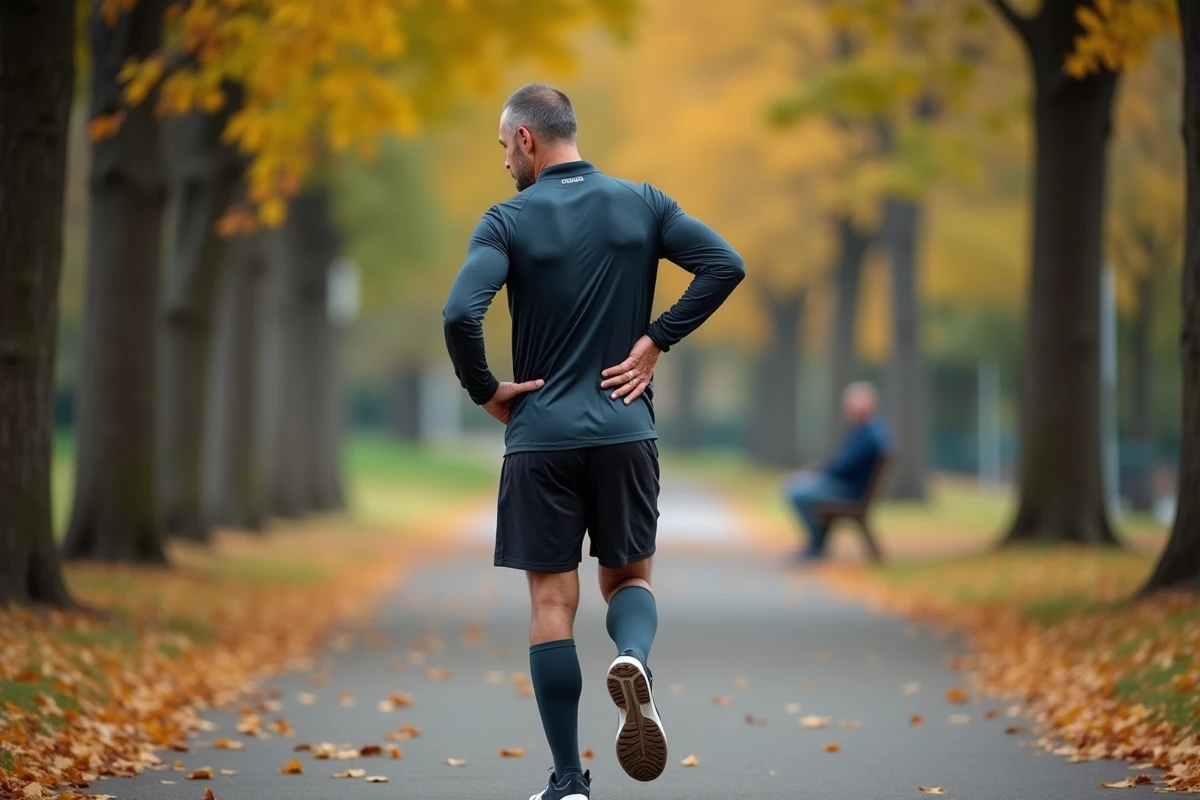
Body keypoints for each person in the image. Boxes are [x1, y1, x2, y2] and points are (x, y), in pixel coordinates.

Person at [442, 83, 744, 800]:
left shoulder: (507, 219)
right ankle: (632, 658)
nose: (503, 165)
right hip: (624, 429)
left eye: (502, 148)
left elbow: (461, 312)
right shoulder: (644, 203)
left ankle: (569, 782)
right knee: (629, 579)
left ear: (526, 141)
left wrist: (486, 390)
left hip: (540, 436)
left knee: (553, 603)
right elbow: (725, 264)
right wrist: (656, 340)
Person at [785, 382, 891, 561]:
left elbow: (846, 465)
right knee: (799, 487)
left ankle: (817, 545)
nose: (849, 409)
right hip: (850, 487)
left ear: (868, 405)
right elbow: (845, 462)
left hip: (850, 491)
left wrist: (821, 473)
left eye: (854, 404)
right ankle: (817, 545)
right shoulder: (869, 430)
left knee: (798, 492)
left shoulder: (869, 433)